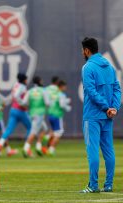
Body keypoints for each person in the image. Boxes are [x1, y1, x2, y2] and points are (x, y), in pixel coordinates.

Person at [80, 37, 121, 193]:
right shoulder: (109, 67)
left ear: (86, 50)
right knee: (109, 151)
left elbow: (91, 91)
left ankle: (93, 185)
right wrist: (114, 108)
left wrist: (106, 108)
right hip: (108, 116)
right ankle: (108, 184)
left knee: (92, 151)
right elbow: (117, 89)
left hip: (93, 116)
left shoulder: (87, 67)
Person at [0, 73, 31, 155]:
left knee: (8, 129)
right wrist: (22, 103)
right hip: (21, 111)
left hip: (13, 109)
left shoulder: (16, 85)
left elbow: (13, 96)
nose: (26, 81)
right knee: (30, 127)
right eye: (26, 79)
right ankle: (26, 147)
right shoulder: (22, 87)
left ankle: (0, 144)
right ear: (23, 80)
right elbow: (16, 95)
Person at [22, 76, 49, 157]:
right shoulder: (43, 91)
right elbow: (47, 103)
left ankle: (38, 146)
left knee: (44, 129)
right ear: (40, 81)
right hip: (40, 114)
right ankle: (26, 148)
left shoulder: (30, 91)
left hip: (32, 114)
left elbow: (24, 103)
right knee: (34, 132)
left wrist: (31, 105)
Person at [45, 80, 71, 155]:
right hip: (57, 115)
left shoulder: (54, 94)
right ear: (61, 86)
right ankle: (51, 149)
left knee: (54, 131)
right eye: (64, 86)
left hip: (50, 115)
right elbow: (62, 104)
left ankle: (47, 140)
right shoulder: (61, 94)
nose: (65, 88)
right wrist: (68, 107)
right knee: (59, 133)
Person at [0, 92, 18, 157]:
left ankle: (7, 150)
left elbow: (4, 102)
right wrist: (0, 108)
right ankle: (7, 150)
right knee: (3, 135)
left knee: (3, 135)